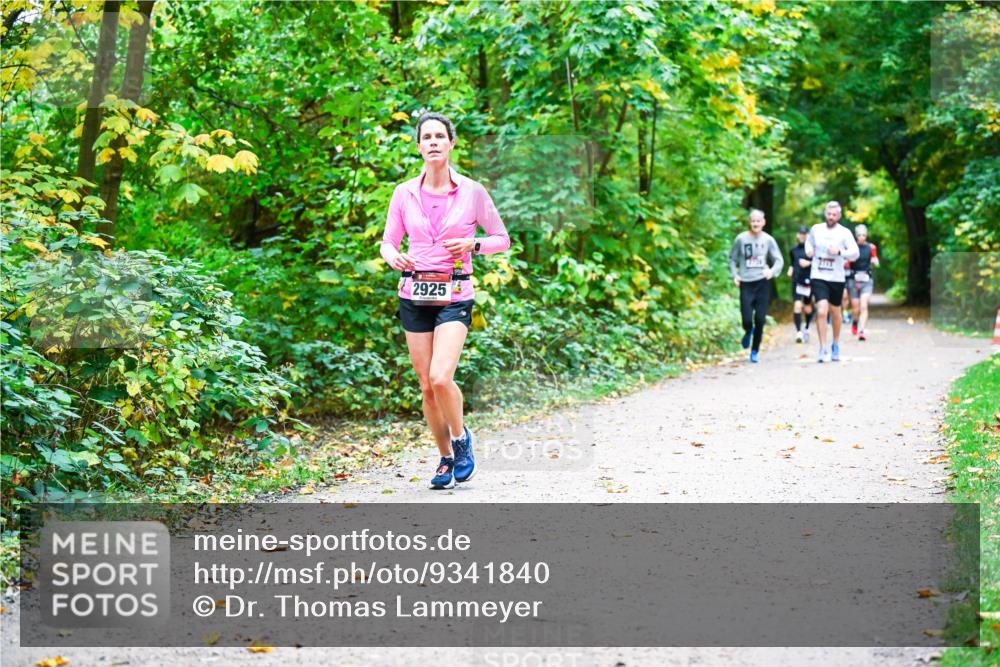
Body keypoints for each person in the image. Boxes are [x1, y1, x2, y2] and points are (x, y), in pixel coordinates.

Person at [380, 112, 510, 489]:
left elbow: (502, 239)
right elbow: (388, 242)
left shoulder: (473, 192)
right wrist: (394, 257)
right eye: (427, 137)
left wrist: (474, 244)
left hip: (455, 292)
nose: (434, 141)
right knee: (425, 384)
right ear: (419, 146)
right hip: (413, 293)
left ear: (451, 144)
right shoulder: (403, 193)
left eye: (441, 136)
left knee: (441, 377)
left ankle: (461, 439)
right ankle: (444, 459)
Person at [805, 201, 860, 363]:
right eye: (829, 214)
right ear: (825, 213)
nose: (831, 217)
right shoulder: (816, 229)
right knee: (821, 310)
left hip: (836, 277)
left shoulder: (845, 233)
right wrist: (809, 249)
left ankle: (835, 344)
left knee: (835, 312)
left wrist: (840, 252)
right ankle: (822, 348)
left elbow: (855, 253)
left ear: (839, 216)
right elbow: (809, 242)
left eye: (834, 214)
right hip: (818, 275)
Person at [729, 209, 783, 363]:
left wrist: (771, 272)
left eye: (758, 221)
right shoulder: (741, 239)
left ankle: (754, 351)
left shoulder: (768, 240)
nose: (756, 223)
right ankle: (748, 330)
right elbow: (732, 259)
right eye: (753, 221)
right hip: (745, 282)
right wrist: (735, 275)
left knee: (759, 319)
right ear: (749, 222)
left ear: (763, 222)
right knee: (747, 318)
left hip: (762, 282)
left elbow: (779, 260)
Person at [847, 224, 879, 340]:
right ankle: (855, 322)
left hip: (866, 279)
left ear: (866, 235)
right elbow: (846, 262)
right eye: (859, 235)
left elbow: (876, 260)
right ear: (856, 236)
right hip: (853, 280)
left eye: (864, 235)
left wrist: (875, 261)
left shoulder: (871, 247)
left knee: (864, 305)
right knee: (855, 308)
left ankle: (861, 330)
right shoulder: (852, 247)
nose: (862, 237)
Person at [787, 225, 814, 343]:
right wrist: (790, 269)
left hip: (808, 282)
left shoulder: (812, 251)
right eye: (800, 234)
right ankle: (798, 332)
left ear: (808, 236)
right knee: (797, 306)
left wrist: (809, 263)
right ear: (797, 235)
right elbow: (792, 263)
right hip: (797, 281)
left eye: (805, 234)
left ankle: (807, 328)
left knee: (808, 308)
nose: (802, 236)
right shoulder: (793, 250)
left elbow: (818, 263)